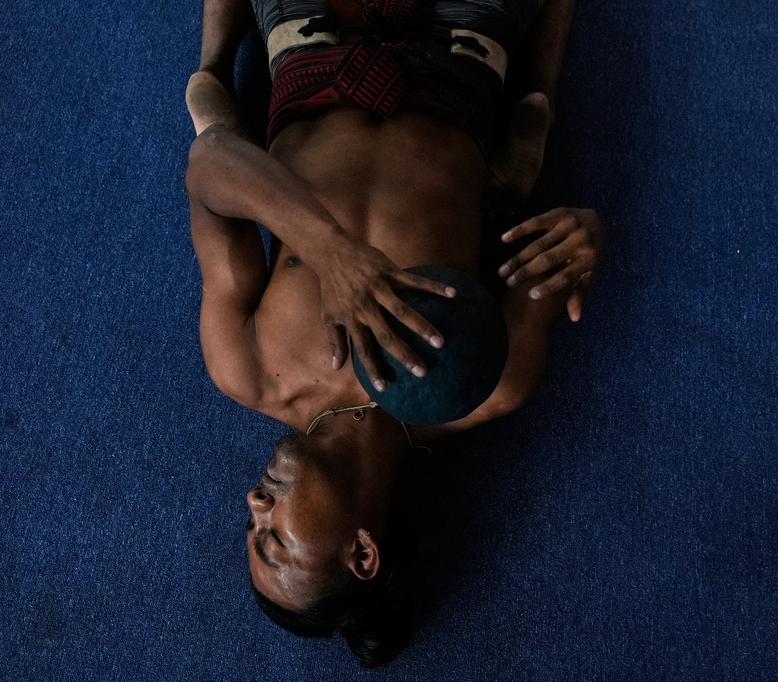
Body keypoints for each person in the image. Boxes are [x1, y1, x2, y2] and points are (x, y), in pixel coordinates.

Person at [184, 0, 602, 666]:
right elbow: (558, 255)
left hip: (311, 45)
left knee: (211, 110)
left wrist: (330, 252)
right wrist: (583, 238)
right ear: (362, 551)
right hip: (462, 56)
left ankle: (212, 63)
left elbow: (209, 164)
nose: (254, 501)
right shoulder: (487, 386)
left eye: (250, 525)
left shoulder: (247, 368)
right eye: (274, 539)